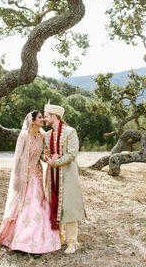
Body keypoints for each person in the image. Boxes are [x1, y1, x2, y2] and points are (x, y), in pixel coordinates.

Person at [0, 110, 61, 254]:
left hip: (37, 174)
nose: (43, 119)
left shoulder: (42, 135)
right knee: (26, 204)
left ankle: (37, 240)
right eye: (40, 117)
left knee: (38, 203)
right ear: (33, 120)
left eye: (43, 117)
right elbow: (17, 158)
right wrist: (17, 177)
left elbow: (42, 155)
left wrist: (49, 159)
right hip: (25, 175)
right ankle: (21, 240)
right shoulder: (24, 136)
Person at [43, 102, 87, 254]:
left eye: (47, 116)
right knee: (54, 204)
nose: (45, 119)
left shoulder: (70, 132)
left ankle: (72, 242)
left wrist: (56, 162)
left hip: (68, 174)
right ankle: (58, 238)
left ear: (54, 116)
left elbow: (73, 153)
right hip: (52, 175)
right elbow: (45, 152)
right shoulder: (47, 135)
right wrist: (47, 158)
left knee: (69, 207)